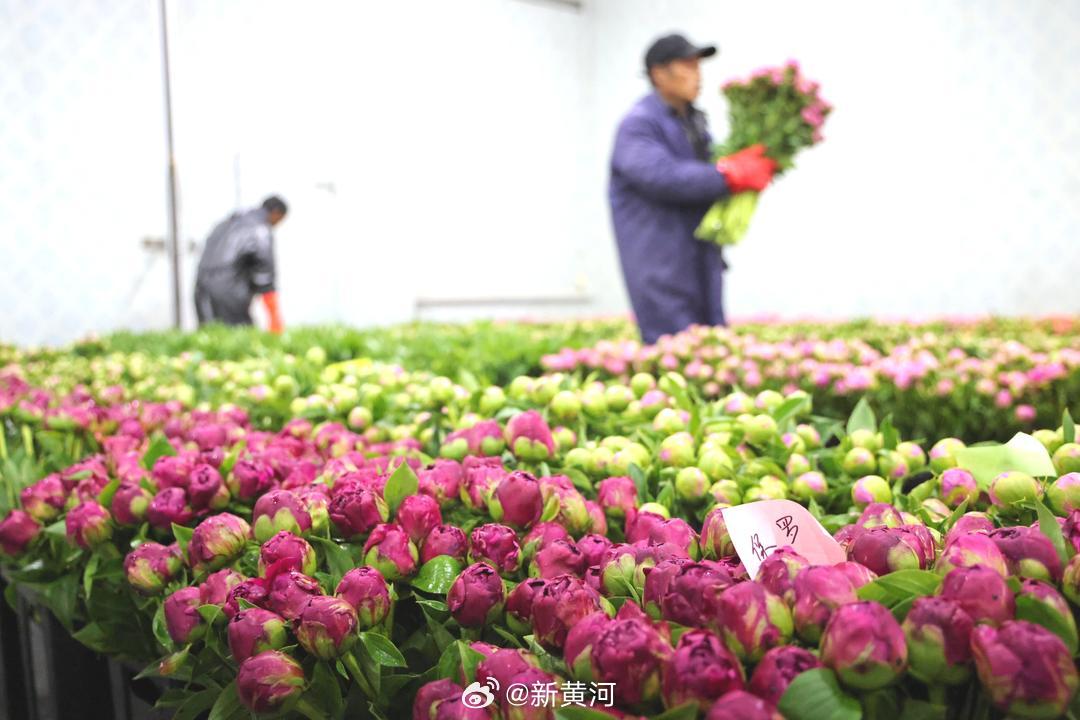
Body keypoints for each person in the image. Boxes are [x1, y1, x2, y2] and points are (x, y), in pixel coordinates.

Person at [609, 33, 778, 344]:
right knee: (675, 350)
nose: (697, 74)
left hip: (700, 254)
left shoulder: (694, 123)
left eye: (698, 66)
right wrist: (728, 174)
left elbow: (709, 174)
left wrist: (747, 168)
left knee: (710, 347)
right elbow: (660, 176)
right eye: (687, 65)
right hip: (661, 261)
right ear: (659, 74)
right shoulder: (639, 124)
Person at [194, 196, 287, 333]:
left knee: (210, 336)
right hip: (230, 290)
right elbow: (264, 273)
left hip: (201, 288)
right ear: (276, 213)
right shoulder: (260, 229)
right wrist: (274, 316)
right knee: (240, 337)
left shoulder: (225, 224)